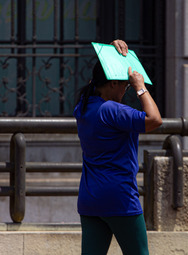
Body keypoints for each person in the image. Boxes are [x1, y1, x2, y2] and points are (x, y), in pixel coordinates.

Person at [73, 39, 162, 255]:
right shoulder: (112, 110)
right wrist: (141, 88)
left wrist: (113, 54)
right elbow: (155, 119)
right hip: (120, 197)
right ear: (113, 83)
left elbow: (99, 76)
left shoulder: (82, 108)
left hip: (90, 198)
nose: (126, 88)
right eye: (125, 84)